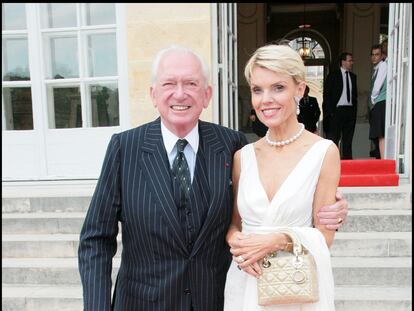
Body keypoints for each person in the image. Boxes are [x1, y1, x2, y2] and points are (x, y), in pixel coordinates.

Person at [78, 45, 348, 311]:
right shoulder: (125, 148)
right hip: (142, 303)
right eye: (169, 83)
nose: (180, 93)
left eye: (191, 84)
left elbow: (254, 208)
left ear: (207, 95)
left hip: (217, 299)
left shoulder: (232, 145)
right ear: (153, 94)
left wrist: (333, 208)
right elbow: (96, 240)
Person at [224, 44, 340, 310]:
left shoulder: (323, 152)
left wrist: (277, 240)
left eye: (278, 87)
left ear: (299, 89)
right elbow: (234, 225)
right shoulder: (243, 156)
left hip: (295, 288)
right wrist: (237, 242)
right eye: (257, 89)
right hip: (246, 282)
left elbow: (325, 237)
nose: (266, 100)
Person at [322, 52, 358, 159]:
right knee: (334, 139)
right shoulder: (333, 76)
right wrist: (330, 113)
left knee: (348, 140)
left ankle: (348, 165)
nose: (352, 63)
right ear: (343, 62)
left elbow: (354, 96)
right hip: (336, 111)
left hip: (350, 111)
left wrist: (354, 112)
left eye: (352, 60)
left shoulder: (353, 76)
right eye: (350, 60)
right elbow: (327, 95)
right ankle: (333, 163)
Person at [369, 44, 387, 159]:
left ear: (382, 56)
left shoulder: (383, 66)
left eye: (377, 55)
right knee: (378, 135)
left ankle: (384, 160)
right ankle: (381, 158)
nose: (375, 57)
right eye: (373, 55)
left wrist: (373, 99)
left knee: (380, 135)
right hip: (378, 103)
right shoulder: (377, 68)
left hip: (380, 103)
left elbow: (377, 87)